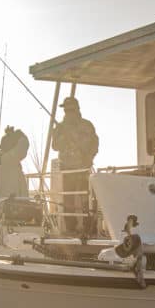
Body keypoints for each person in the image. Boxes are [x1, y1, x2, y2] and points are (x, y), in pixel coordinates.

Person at [51, 96, 99, 232]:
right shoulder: (61, 128)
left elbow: (94, 144)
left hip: (83, 168)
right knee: (69, 200)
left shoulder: (86, 125)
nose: (68, 112)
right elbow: (55, 146)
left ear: (75, 109)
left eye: (69, 109)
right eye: (66, 110)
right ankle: (72, 228)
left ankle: (90, 227)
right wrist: (63, 136)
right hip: (68, 169)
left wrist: (89, 158)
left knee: (86, 199)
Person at [0, 126, 29, 204]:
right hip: (12, 207)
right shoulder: (9, 158)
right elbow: (23, 146)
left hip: (2, 205)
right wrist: (20, 135)